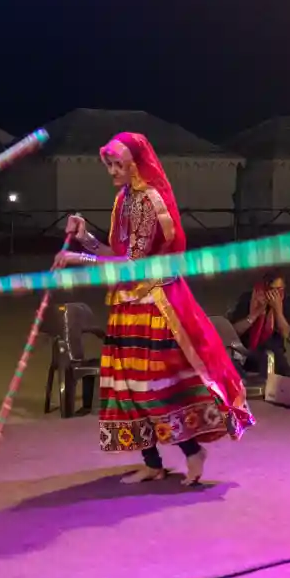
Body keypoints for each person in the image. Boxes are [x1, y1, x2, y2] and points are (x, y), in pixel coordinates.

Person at [60, 131, 252, 485]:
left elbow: (132, 265)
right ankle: (152, 462)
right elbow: (115, 254)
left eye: (118, 165)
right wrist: (85, 238)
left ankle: (193, 452)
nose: (112, 171)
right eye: (109, 165)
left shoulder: (148, 201)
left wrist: (77, 258)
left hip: (154, 306)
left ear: (135, 165)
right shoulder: (124, 199)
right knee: (127, 388)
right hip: (126, 306)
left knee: (155, 387)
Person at [228, 268, 290, 377]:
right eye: (273, 290)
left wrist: (278, 311)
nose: (276, 295)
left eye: (280, 290)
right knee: (265, 354)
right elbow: (234, 331)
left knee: (272, 354)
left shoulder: (286, 301)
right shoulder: (248, 299)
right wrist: (254, 314)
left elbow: (286, 333)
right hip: (248, 351)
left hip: (275, 354)